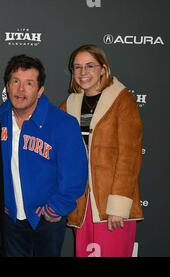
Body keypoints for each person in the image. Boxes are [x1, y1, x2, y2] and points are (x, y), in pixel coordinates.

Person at [0, 54, 87, 257]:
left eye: (29, 83)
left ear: (40, 91)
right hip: (11, 220)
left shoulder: (63, 124)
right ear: (7, 86)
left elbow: (75, 175)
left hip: (46, 220)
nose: (21, 89)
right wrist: (2, 201)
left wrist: (55, 208)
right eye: (15, 82)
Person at [60, 44, 143, 257]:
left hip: (110, 207)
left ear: (103, 68)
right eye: (77, 67)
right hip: (81, 205)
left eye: (90, 66)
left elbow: (129, 157)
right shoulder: (69, 105)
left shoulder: (122, 100)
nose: (83, 73)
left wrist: (118, 206)